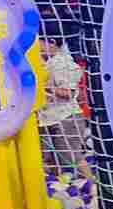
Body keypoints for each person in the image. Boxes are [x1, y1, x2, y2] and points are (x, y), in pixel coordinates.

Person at [37, 34, 91, 177]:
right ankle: (59, 184)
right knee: (51, 160)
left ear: (52, 42)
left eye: (39, 42)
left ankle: (93, 183)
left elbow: (68, 93)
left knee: (71, 157)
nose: (36, 47)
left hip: (65, 118)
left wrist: (42, 87)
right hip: (48, 117)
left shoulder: (62, 63)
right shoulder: (46, 62)